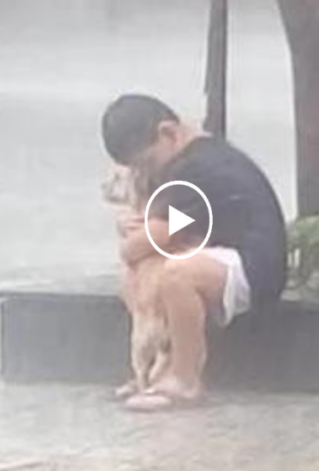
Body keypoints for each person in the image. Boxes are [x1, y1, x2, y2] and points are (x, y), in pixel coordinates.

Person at [101, 94, 287, 411]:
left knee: (177, 275)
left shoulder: (200, 171)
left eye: (145, 164)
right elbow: (169, 228)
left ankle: (185, 378)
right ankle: (152, 372)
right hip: (216, 252)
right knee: (140, 277)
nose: (143, 175)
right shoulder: (185, 163)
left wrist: (130, 240)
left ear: (169, 133)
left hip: (252, 266)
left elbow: (155, 237)